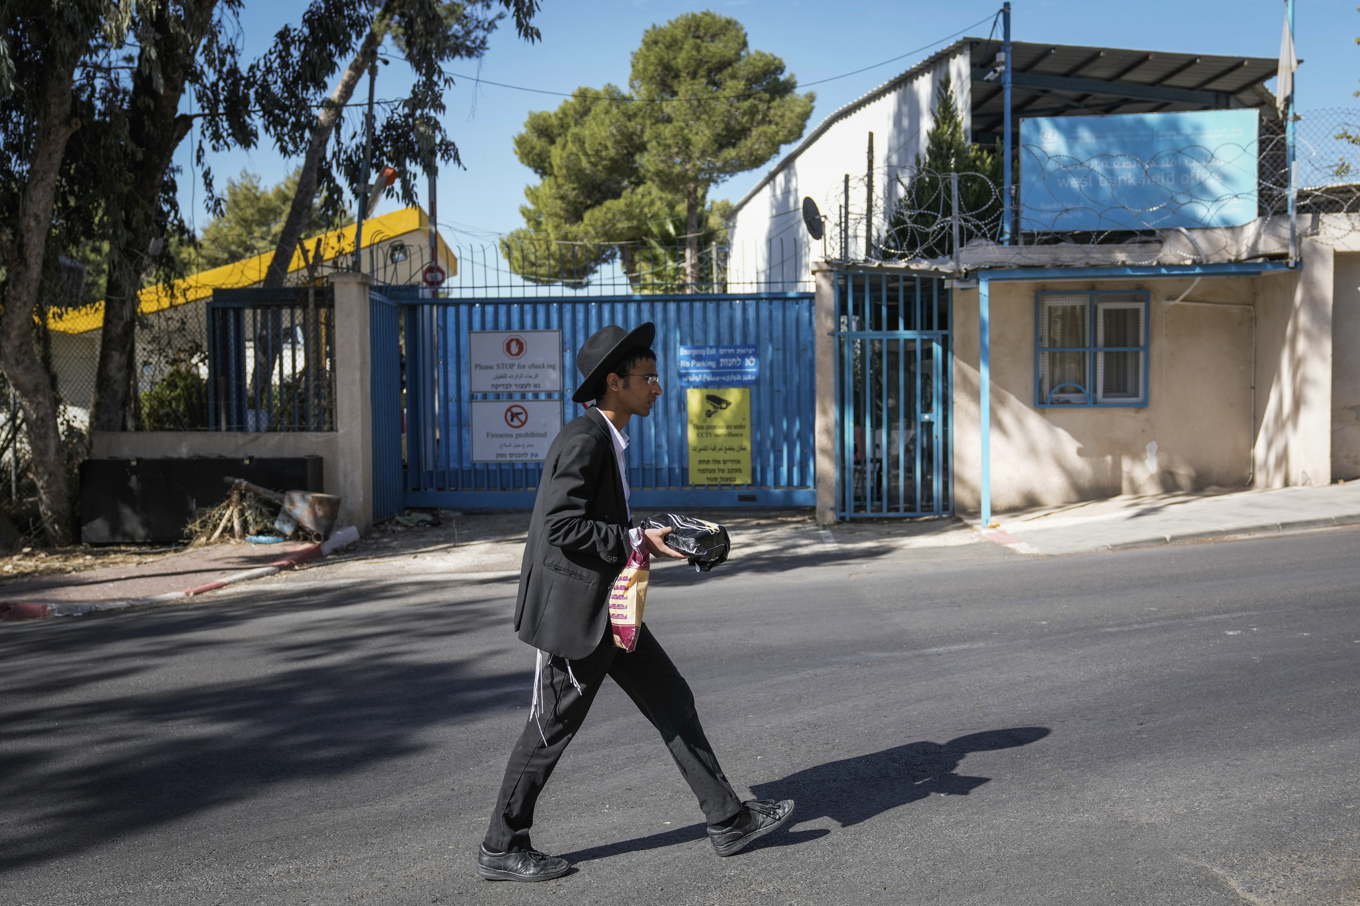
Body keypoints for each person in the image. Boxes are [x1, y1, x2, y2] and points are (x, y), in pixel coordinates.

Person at [476, 321, 793, 882]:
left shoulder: (608, 438)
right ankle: (501, 845)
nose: (658, 387)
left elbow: (602, 526)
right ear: (615, 382)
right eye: (648, 378)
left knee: (671, 697)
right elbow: (560, 526)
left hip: (611, 606)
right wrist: (632, 539)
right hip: (576, 614)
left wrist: (653, 535)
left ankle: (728, 819)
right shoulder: (585, 439)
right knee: (551, 729)